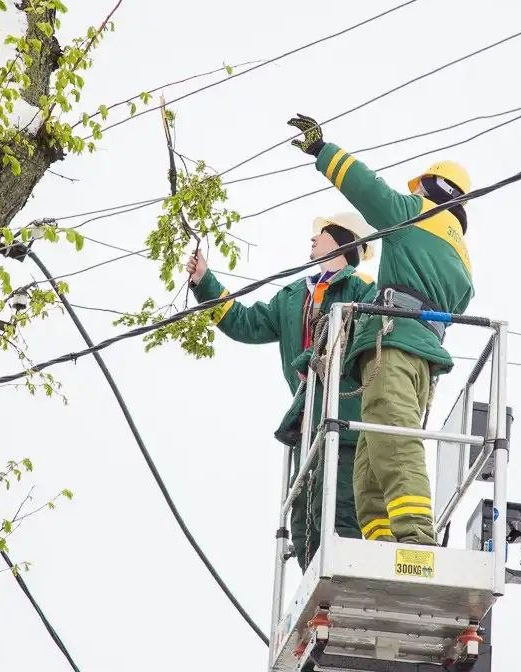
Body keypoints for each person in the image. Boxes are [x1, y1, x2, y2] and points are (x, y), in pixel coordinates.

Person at [286, 113, 473, 547]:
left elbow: (367, 190)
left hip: (394, 346)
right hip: (421, 359)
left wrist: (321, 150)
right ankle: (382, 543)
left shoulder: (417, 214)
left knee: (394, 447)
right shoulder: (463, 257)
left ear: (434, 188)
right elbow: (459, 302)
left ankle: (416, 537)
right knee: (370, 463)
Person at [186, 212, 377, 568]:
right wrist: (205, 282)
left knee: (337, 507)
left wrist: (310, 359)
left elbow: (361, 337)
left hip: (345, 416)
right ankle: (315, 587)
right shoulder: (292, 296)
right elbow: (246, 323)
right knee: (302, 519)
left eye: (321, 233)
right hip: (307, 423)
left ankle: (344, 579)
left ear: (342, 240)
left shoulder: (361, 288)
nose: (313, 238)